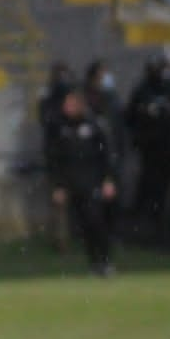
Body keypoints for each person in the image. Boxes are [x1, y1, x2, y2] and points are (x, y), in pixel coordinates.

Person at [124, 53, 170, 243]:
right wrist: (147, 112)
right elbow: (129, 117)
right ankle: (156, 228)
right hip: (152, 148)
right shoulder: (142, 90)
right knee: (156, 190)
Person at [50, 89, 118, 276]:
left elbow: (108, 154)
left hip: (94, 183)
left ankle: (106, 261)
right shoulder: (62, 128)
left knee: (96, 221)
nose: (66, 108)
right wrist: (59, 186)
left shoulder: (95, 125)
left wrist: (109, 179)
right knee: (84, 226)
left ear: (80, 105)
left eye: (70, 104)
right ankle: (94, 263)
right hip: (74, 185)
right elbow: (57, 160)